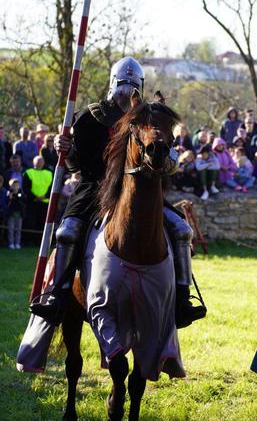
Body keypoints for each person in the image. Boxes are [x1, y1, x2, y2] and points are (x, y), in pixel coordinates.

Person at [29, 57, 205, 328]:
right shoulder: (91, 116)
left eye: (133, 84)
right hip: (94, 187)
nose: (127, 89)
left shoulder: (147, 117)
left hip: (137, 189)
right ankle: (58, 295)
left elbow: (166, 160)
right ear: (113, 83)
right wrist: (63, 147)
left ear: (141, 86)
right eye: (123, 82)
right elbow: (75, 164)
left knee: (181, 230)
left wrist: (168, 161)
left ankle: (182, 299)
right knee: (68, 232)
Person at [23, 155, 53, 243]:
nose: (39, 163)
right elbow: (25, 188)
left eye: (41, 161)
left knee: (43, 223)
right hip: (32, 202)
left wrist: (45, 196)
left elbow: (52, 187)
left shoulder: (49, 173)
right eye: (37, 162)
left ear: (43, 163)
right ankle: (30, 241)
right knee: (31, 222)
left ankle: (40, 242)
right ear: (33, 163)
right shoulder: (28, 172)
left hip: (45, 202)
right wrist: (35, 197)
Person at [6, 178, 25, 249]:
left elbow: (22, 202)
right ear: (11, 186)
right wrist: (10, 198)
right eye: (13, 185)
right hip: (11, 214)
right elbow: (8, 203)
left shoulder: (21, 193)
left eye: (17, 185)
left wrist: (18, 196)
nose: (15, 187)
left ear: (19, 186)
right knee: (11, 230)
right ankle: (11, 243)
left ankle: (17, 243)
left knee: (18, 230)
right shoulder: (9, 193)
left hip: (19, 214)